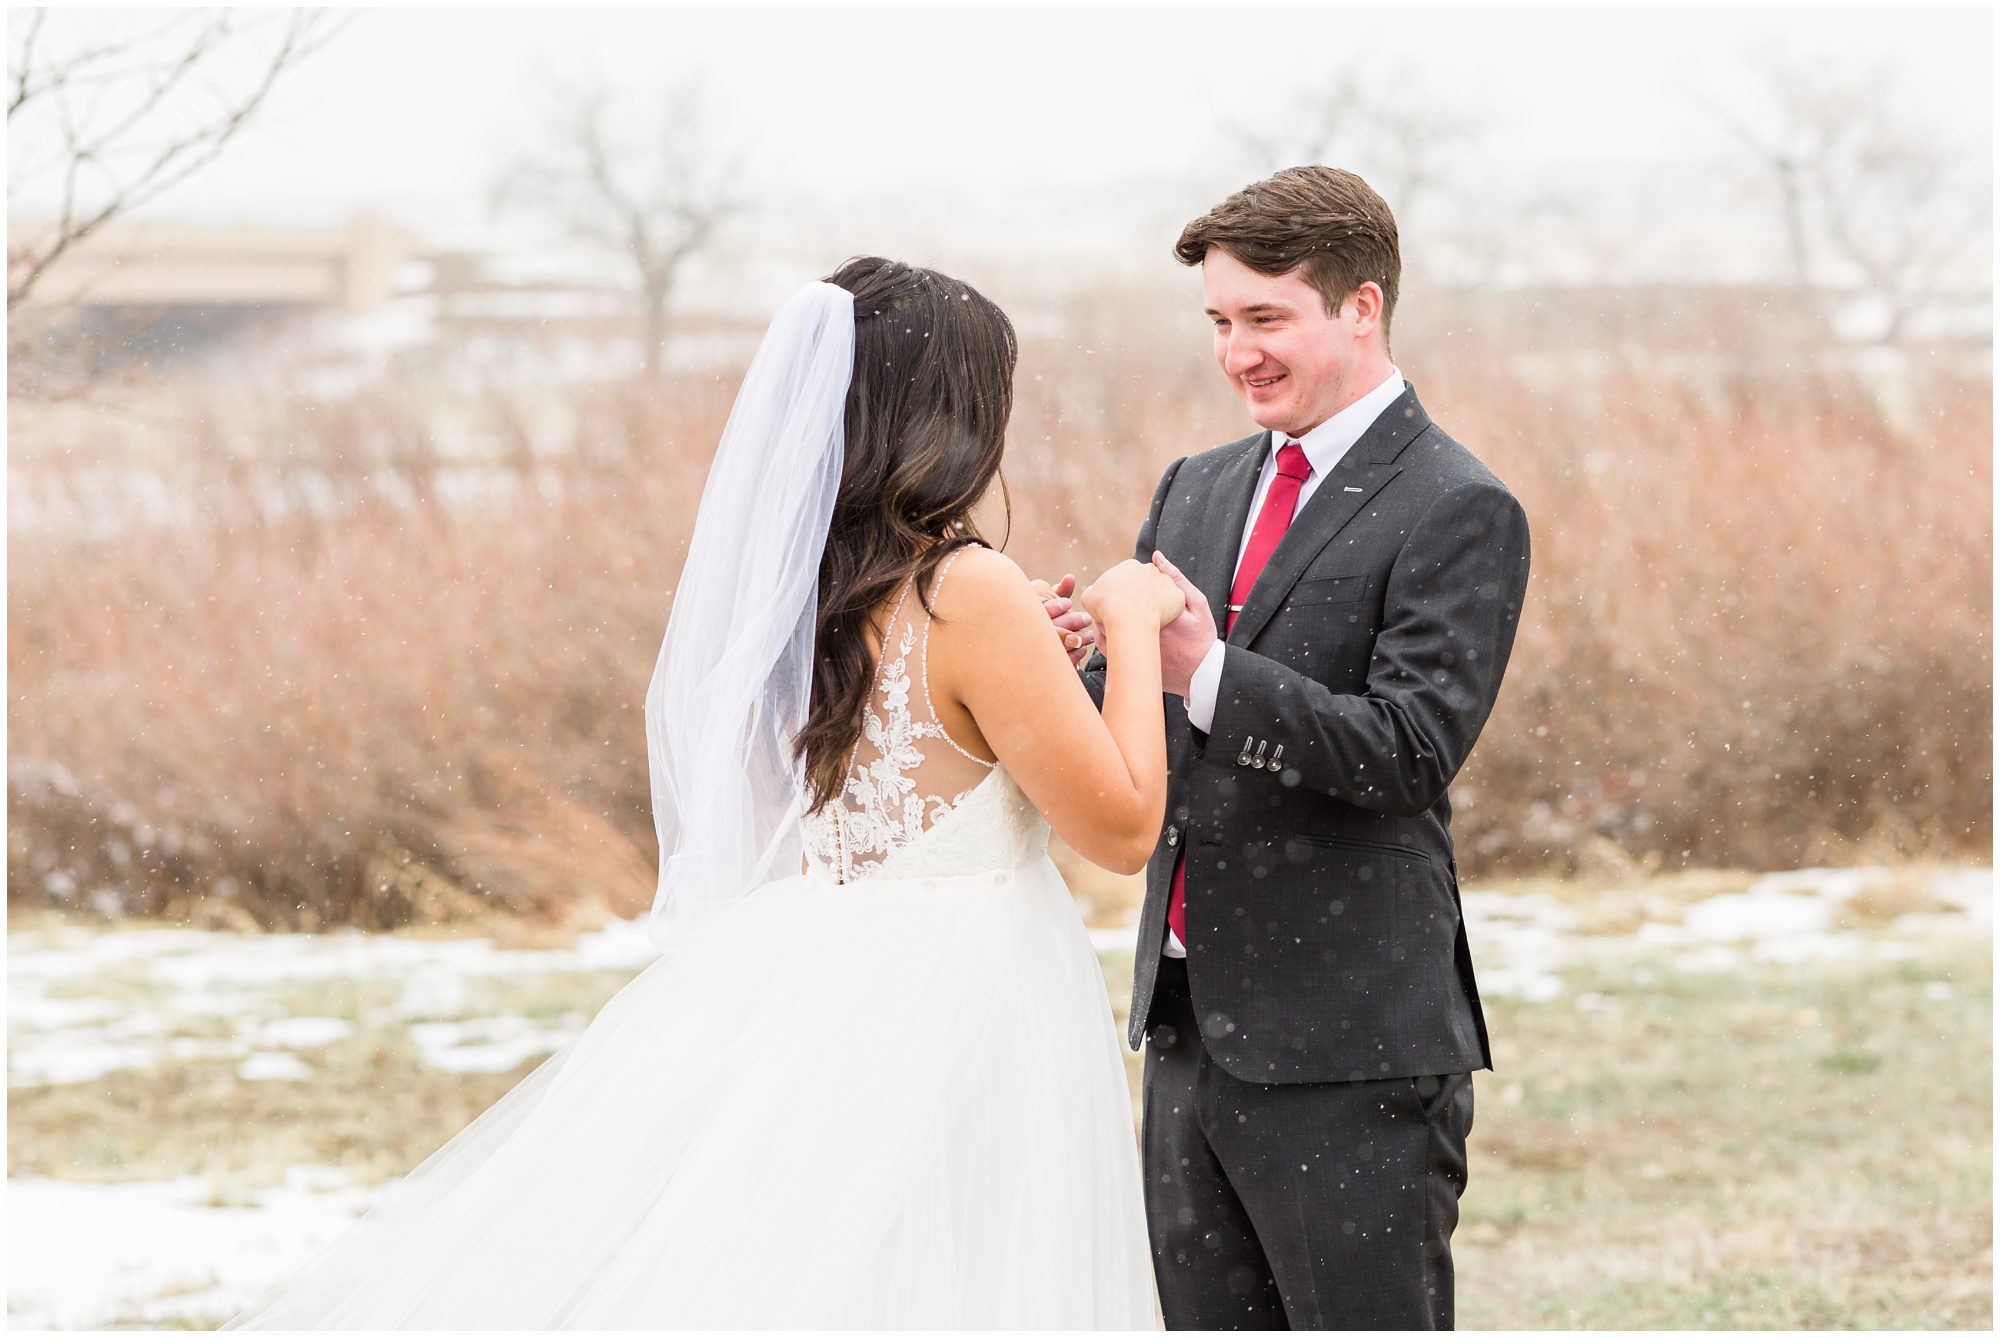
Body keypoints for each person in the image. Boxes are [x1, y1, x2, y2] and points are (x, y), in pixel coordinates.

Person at [224, 257, 1179, 1328]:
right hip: (969, 997)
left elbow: (934, 733)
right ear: (948, 417)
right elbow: (1122, 827)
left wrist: (1038, 667)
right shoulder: (970, 588)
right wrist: (1131, 623)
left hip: (839, 978)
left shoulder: (805, 598)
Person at [1043, 166, 1533, 1329]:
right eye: (1219, 322)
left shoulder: (1458, 505)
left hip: (1349, 1046)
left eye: (1265, 320)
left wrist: (1204, 671)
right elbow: (1151, 712)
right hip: (1184, 1030)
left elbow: (1407, 750)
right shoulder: (1194, 488)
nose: (1235, 354)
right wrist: (1074, 664)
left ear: (1360, 307)